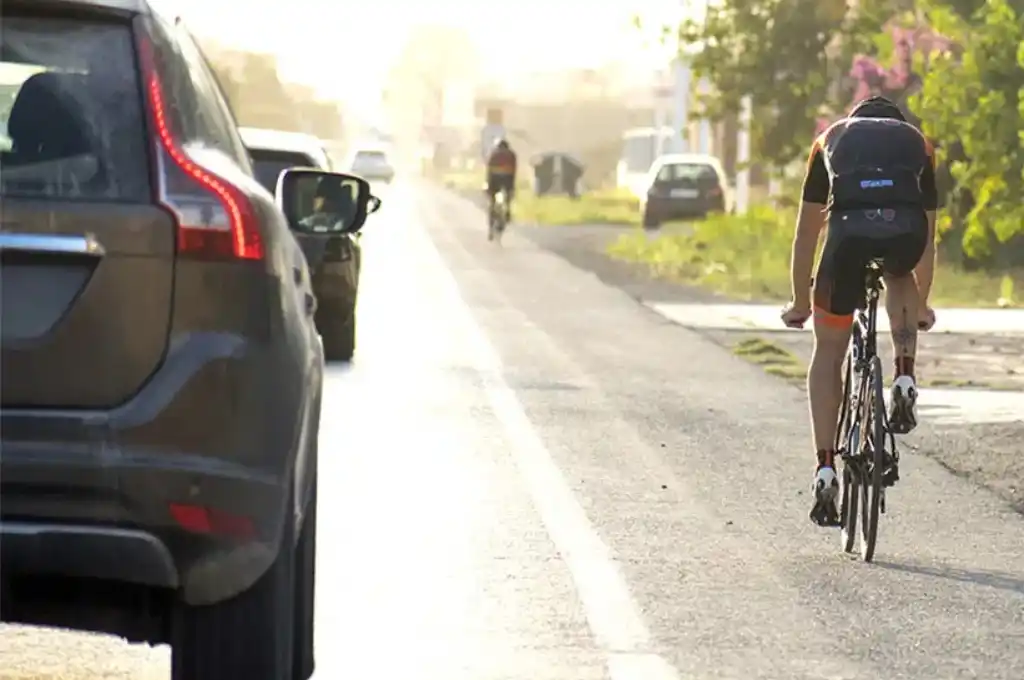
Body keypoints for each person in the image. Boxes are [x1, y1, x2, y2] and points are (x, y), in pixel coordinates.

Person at [780, 95, 940, 527]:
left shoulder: (830, 139)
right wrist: (922, 302)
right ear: (896, 122)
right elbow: (928, 238)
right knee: (901, 272)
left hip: (846, 240)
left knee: (829, 350)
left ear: (856, 120)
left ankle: (826, 466)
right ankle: (904, 372)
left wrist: (799, 301)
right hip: (905, 231)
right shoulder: (918, 143)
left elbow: (806, 236)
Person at [485, 138, 517, 222]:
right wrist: (513, 185)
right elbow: (514, 169)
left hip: (494, 176)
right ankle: (507, 210)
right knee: (508, 193)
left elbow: (489, 169)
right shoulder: (511, 154)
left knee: (492, 194)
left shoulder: (494, 153)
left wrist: (488, 182)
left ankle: (493, 206)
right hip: (507, 176)